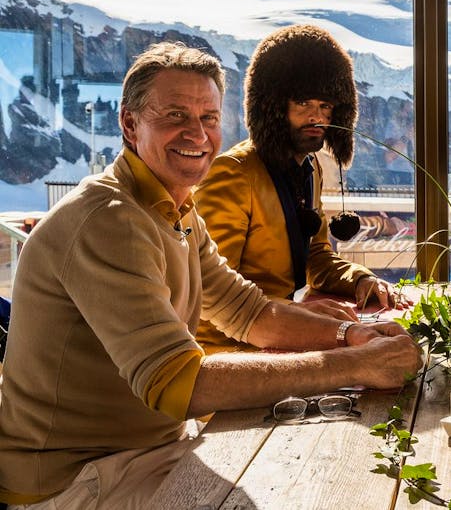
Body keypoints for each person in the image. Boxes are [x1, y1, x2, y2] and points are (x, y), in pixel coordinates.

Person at [0, 42, 422, 508]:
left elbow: (250, 312)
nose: (196, 133)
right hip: (77, 478)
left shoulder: (176, 204)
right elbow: (177, 382)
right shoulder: (110, 218)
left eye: (208, 118)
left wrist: (347, 336)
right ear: (129, 124)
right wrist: (352, 366)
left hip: (151, 449)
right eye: (175, 115)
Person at [194, 24, 411, 354]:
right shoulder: (233, 174)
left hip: (283, 335)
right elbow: (210, 299)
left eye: (325, 107)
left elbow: (317, 257)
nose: (317, 118)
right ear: (273, 107)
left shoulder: (309, 170)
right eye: (303, 104)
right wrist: (301, 315)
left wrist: (361, 280)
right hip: (234, 352)